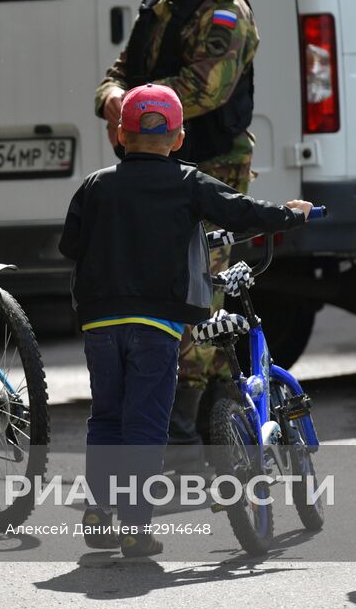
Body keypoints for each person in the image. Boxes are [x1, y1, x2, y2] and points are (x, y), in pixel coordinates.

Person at [60, 83, 311, 557]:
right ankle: (134, 525)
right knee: (146, 422)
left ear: (120, 134)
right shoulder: (189, 182)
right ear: (178, 139)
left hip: (99, 323)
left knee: (107, 416)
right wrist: (290, 216)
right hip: (156, 325)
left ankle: (98, 513)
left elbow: (70, 247)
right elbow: (242, 211)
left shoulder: (94, 185)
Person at [94, 0, 259, 472]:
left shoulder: (224, 10)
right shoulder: (159, 4)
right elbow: (121, 71)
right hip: (155, 170)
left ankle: (195, 430)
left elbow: (207, 87)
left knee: (200, 293)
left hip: (211, 168)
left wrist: (137, 109)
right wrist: (114, 96)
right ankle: (198, 430)